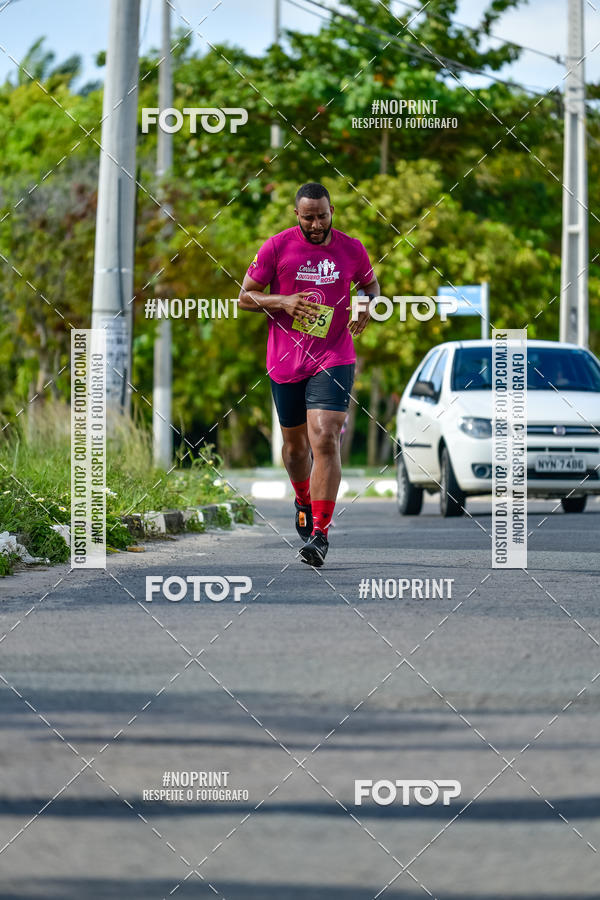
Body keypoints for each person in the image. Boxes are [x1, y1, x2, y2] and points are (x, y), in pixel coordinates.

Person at [238, 182, 380, 567]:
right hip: (286, 359)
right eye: (308, 217)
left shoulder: (352, 248)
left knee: (325, 436)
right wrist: (281, 300)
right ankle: (301, 498)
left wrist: (366, 303)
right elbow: (245, 296)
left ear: (332, 210)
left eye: (322, 216)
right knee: (296, 449)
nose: (316, 225)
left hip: (334, 355)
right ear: (295, 215)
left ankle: (320, 532)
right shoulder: (276, 247)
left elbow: (370, 283)